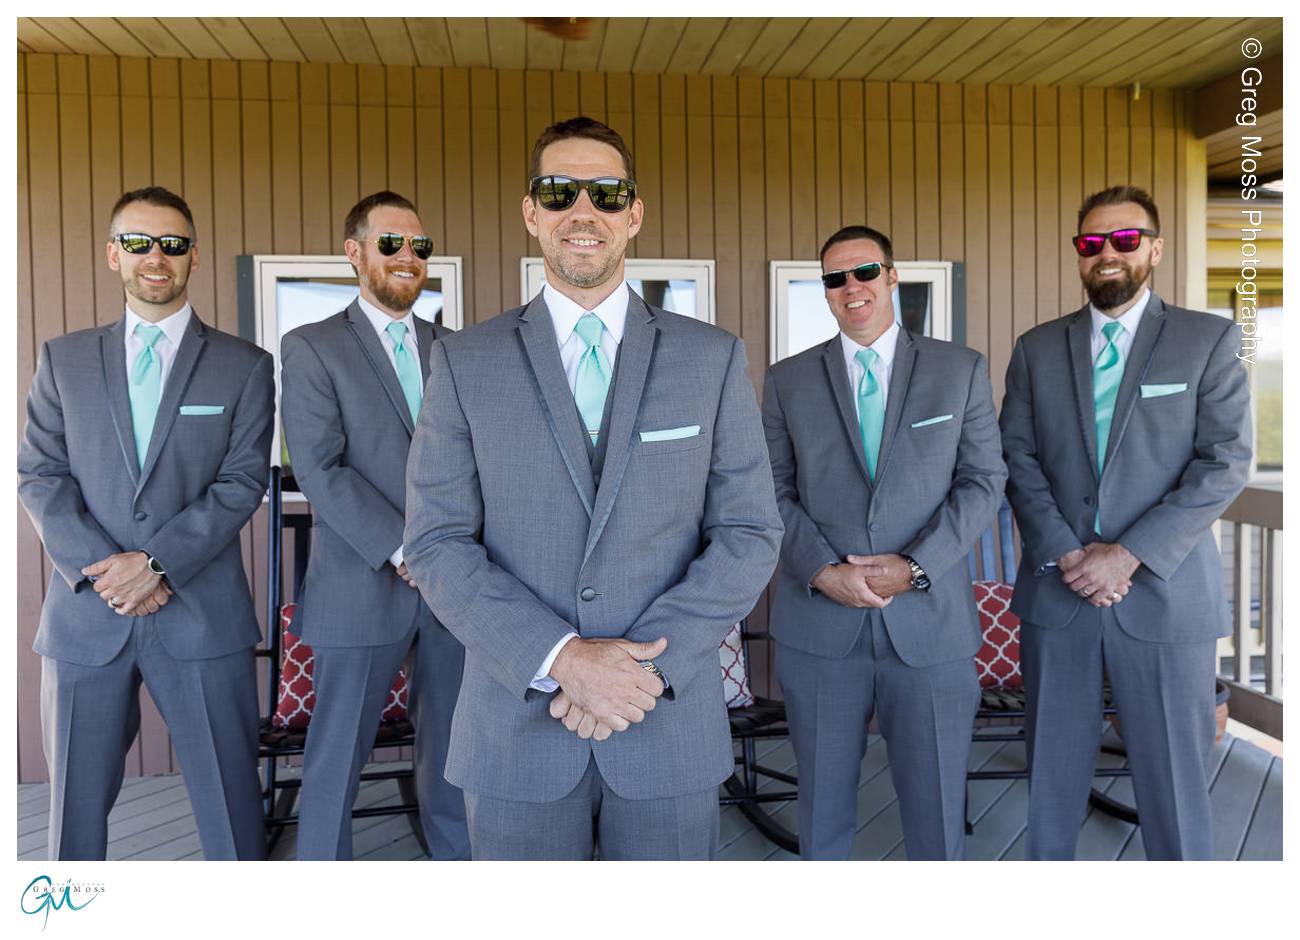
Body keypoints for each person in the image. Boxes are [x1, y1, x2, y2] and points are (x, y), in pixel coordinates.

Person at [402, 116, 783, 860]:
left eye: (606, 193)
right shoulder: (464, 362)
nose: (585, 210)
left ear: (633, 215)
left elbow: (749, 532)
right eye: (560, 190)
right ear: (531, 212)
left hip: (665, 719)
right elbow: (438, 541)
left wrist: (642, 670)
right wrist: (564, 659)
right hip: (516, 727)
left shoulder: (710, 359)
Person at [18, 186, 273, 860]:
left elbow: (242, 481)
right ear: (113, 254)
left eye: (173, 243)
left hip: (202, 616)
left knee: (231, 805)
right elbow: (40, 475)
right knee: (73, 813)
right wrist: (110, 574)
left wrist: (155, 564)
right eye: (138, 242)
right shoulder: (63, 359)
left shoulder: (245, 367)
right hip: (86, 618)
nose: (155, 256)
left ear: (194, 257)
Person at [1000, 185, 1252, 859]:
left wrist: (1128, 554)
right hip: (1060, 594)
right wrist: (1068, 555)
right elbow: (1017, 460)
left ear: (1154, 249)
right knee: (1050, 785)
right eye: (1091, 243)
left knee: (1174, 788)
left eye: (1125, 239)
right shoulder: (1036, 349)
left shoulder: (1207, 339)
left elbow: (1225, 462)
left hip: (1168, 599)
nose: (1107, 253)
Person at [763, 225, 1006, 859]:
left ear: (892, 277)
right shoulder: (788, 381)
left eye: (865, 271)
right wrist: (820, 570)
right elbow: (767, 490)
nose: (852, 288)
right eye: (835, 278)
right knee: (822, 806)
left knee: (937, 811)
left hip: (930, 627)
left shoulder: (960, 370)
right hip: (820, 629)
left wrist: (917, 566)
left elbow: (983, 482)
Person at [279, 191, 470, 860]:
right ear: (355, 253)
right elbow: (321, 469)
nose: (409, 257)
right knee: (336, 759)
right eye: (391, 243)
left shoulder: (454, 349)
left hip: (454, 589)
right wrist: (404, 547)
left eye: (419, 246)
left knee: (452, 752)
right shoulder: (312, 347)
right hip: (363, 582)